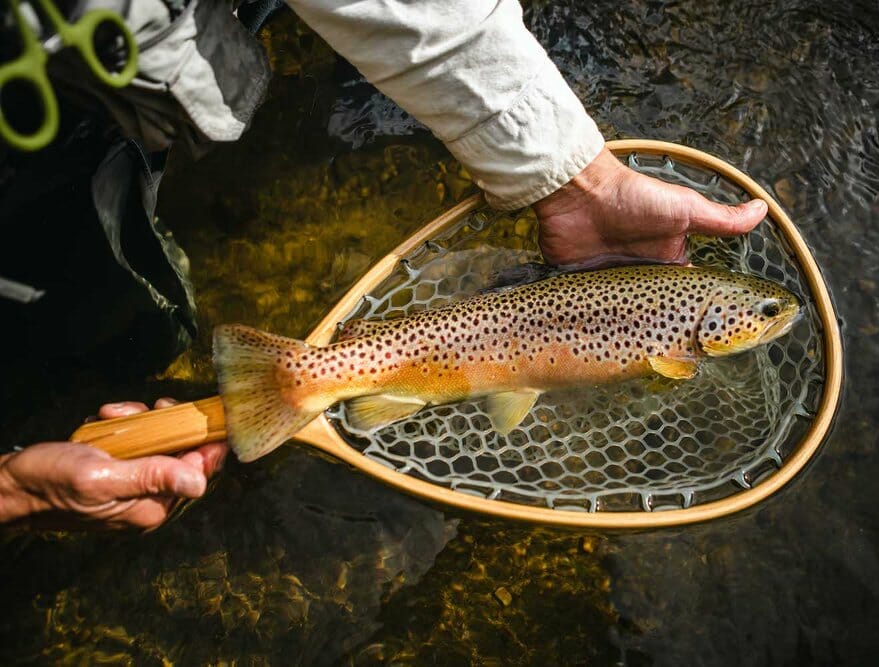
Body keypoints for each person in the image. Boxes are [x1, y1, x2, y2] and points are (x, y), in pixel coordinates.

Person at [0, 0, 766, 530]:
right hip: (49, 119)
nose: (765, 321)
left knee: (115, 328)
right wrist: (14, 490)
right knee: (73, 319)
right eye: (760, 314)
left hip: (86, 84)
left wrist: (578, 176)